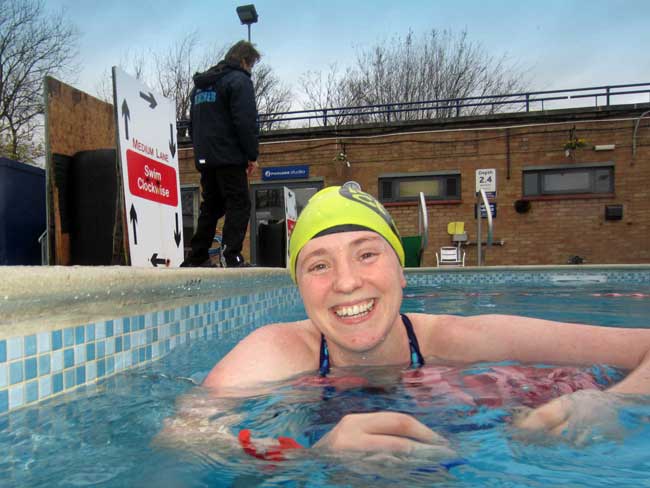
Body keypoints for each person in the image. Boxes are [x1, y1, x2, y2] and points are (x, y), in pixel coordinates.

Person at [163, 182, 650, 456]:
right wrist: (310, 457)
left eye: (367, 254)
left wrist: (609, 401)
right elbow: (182, 435)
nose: (346, 282)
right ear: (299, 287)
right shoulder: (278, 350)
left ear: (402, 271)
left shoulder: (460, 338)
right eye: (318, 265)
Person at [181, 41, 260, 268]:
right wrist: (251, 154)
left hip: (205, 156)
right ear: (245, 60)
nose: (250, 69)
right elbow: (245, 121)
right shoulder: (239, 80)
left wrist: (201, 152)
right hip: (229, 155)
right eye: (251, 64)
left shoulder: (201, 86)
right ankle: (231, 254)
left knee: (212, 205)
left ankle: (197, 256)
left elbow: (192, 123)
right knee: (240, 203)